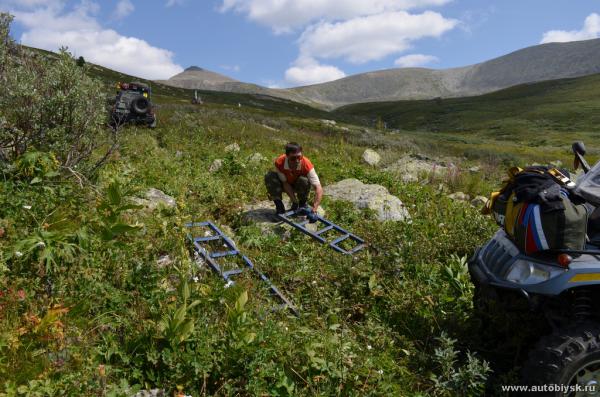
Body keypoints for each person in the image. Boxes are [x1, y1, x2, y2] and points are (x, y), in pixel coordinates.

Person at [265, 142, 323, 215]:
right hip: (285, 185)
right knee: (270, 176)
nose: (297, 160)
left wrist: (314, 209)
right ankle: (279, 206)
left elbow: (318, 188)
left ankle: (302, 204)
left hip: (299, 186)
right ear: (287, 156)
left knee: (304, 180)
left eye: (299, 157)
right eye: (293, 158)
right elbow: (285, 183)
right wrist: (294, 201)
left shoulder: (306, 164)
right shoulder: (280, 162)